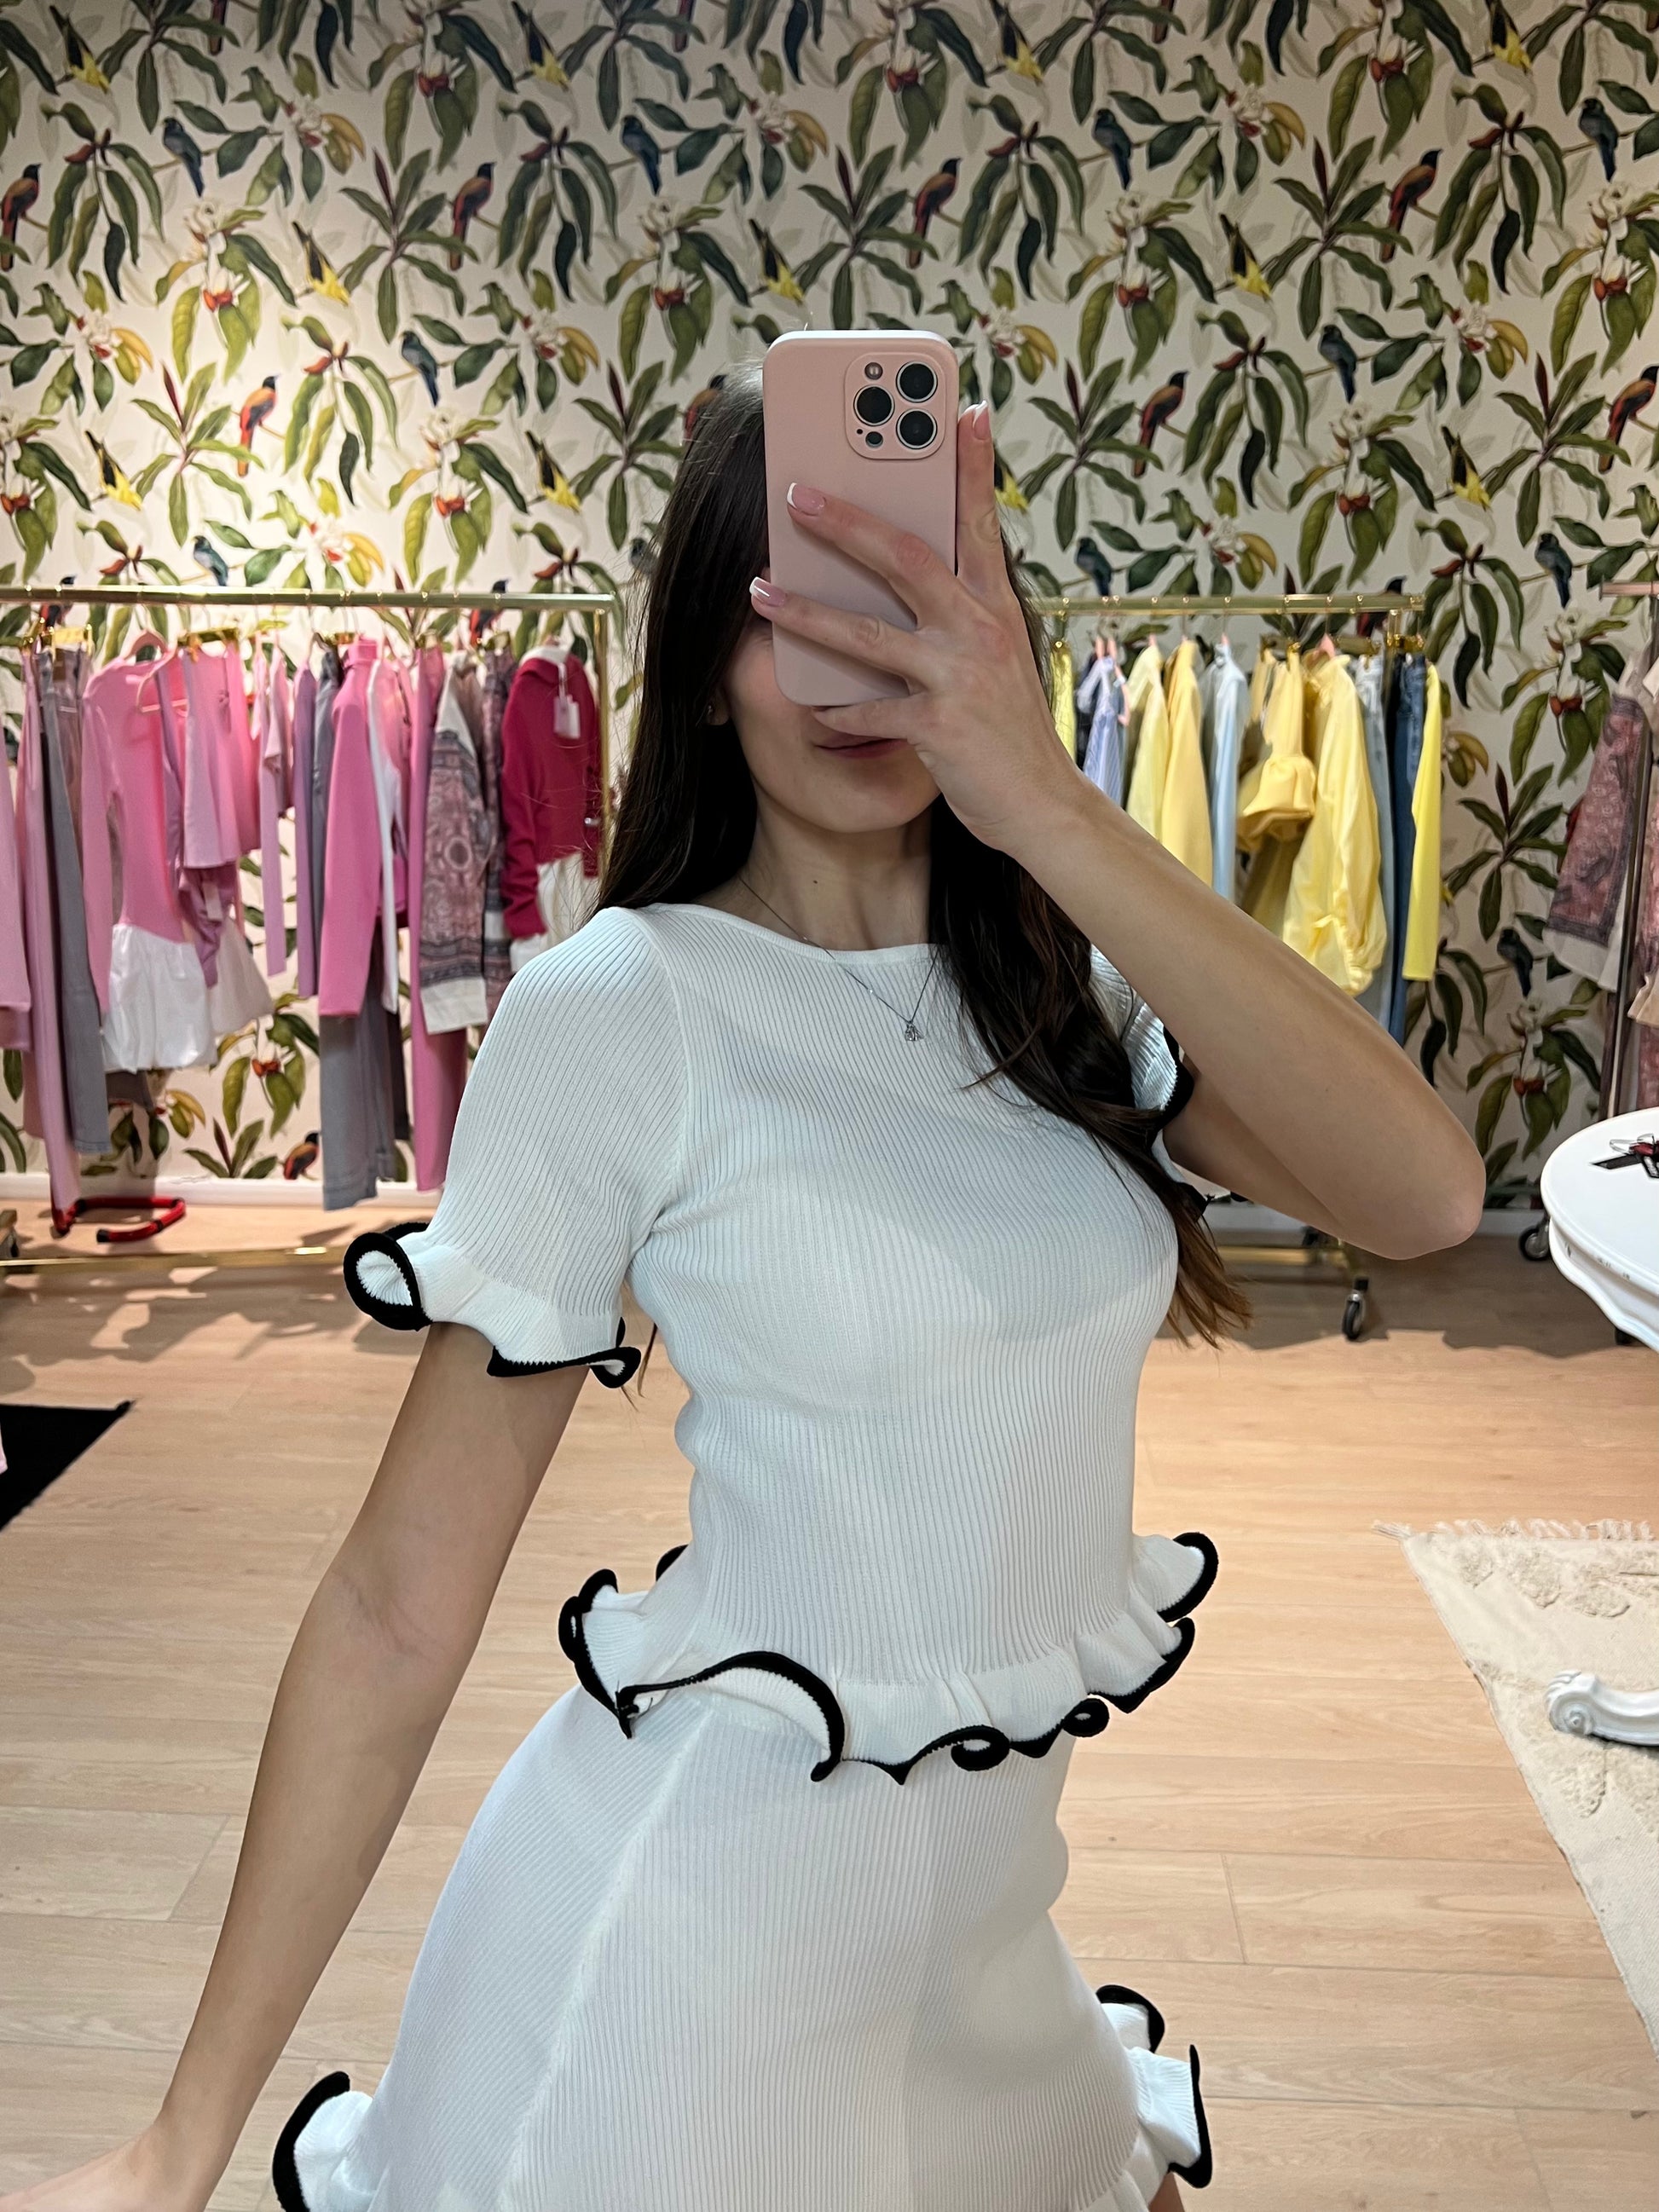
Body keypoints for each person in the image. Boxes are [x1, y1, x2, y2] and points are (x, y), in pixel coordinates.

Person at [3, 373, 1484, 2212]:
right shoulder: (622, 1010)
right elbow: (395, 1605)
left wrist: (1051, 808)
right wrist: (180, 2142)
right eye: (801, 617)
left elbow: (1422, 1194)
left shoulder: (1061, 991)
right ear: (705, 670)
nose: (861, 673)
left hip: (980, 1936)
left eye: (909, 608)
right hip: (686, 1969)